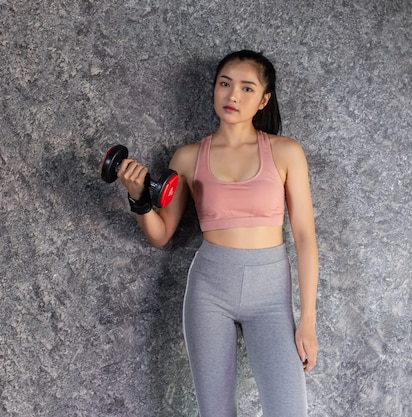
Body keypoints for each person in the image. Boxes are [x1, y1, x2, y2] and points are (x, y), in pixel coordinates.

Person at [116, 50, 318, 416]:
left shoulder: (286, 152)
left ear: (264, 99)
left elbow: (305, 238)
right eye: (225, 84)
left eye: (246, 87)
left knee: (289, 409)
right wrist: (138, 200)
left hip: (270, 295)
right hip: (210, 289)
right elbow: (161, 235)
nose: (233, 96)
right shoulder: (188, 157)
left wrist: (307, 322)